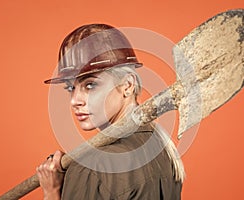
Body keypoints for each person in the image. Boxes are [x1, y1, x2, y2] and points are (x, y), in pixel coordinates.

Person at [37, 24, 185, 200]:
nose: (75, 101)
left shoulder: (92, 167)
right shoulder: (161, 148)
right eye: (70, 88)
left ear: (127, 85)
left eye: (90, 85)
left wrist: (52, 192)